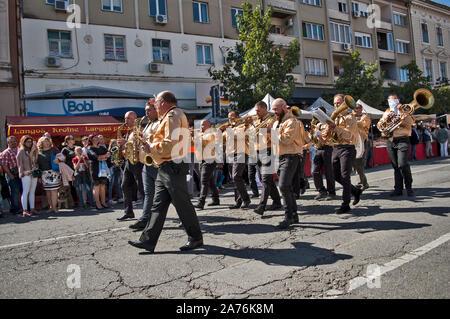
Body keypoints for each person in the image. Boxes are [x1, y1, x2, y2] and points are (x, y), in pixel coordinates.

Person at [128, 90, 203, 253]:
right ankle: (148, 241)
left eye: (156, 103)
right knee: (158, 206)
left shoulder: (173, 115)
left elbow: (171, 141)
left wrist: (151, 147)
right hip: (165, 165)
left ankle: (196, 238)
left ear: (163, 102)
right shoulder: (168, 116)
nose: (154, 106)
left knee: (182, 204)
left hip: (173, 164)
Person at [271, 98, 306, 228]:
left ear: (284, 107)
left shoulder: (292, 122)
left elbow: (286, 140)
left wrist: (272, 133)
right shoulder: (276, 122)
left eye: (276, 109)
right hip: (279, 156)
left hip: (291, 156)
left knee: (283, 186)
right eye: (273, 109)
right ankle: (294, 215)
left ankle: (288, 216)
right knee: (288, 187)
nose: (274, 112)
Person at [326, 94, 363, 214]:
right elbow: (329, 136)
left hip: (347, 148)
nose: (336, 105)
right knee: (336, 176)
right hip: (336, 148)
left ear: (344, 104)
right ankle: (355, 191)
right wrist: (326, 131)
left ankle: (345, 204)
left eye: (339, 103)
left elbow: (348, 135)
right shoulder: (334, 118)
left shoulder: (350, 117)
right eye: (335, 103)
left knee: (345, 175)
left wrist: (335, 127)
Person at [129, 99, 159, 230]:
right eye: (146, 110)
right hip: (147, 163)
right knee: (148, 193)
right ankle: (144, 219)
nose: (146, 113)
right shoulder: (148, 124)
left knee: (172, 194)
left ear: (156, 110)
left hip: (158, 163)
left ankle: (184, 217)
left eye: (149, 110)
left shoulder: (160, 123)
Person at [377, 93, 415, 197]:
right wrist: (386, 120)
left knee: (402, 164)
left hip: (403, 139)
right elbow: (380, 125)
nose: (391, 102)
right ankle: (398, 189)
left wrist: (402, 112)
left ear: (398, 100)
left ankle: (409, 187)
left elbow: (410, 122)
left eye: (394, 100)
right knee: (395, 166)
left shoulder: (405, 110)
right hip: (390, 140)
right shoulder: (387, 112)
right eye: (389, 100)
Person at [252, 101, 282, 216]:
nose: (256, 112)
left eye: (258, 110)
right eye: (256, 110)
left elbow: (275, 133)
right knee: (265, 178)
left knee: (265, 178)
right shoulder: (256, 120)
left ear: (265, 108)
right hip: (258, 150)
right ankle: (277, 201)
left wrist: (265, 130)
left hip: (268, 150)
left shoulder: (272, 119)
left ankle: (261, 206)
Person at [116, 111, 145, 220]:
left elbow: (141, 144)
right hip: (129, 161)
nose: (125, 121)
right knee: (124, 185)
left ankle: (147, 213)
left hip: (138, 162)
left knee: (142, 189)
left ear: (135, 119)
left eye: (128, 118)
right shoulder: (128, 132)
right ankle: (128, 212)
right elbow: (127, 148)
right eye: (125, 118)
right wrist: (121, 148)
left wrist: (126, 142)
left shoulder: (139, 131)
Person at [221, 111, 252, 209]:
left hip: (241, 153)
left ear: (238, 117)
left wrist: (228, 130)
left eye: (232, 117)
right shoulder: (229, 129)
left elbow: (240, 137)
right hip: (230, 155)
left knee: (236, 176)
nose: (230, 119)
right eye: (228, 117)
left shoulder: (243, 126)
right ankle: (238, 201)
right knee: (235, 179)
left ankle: (246, 199)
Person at [193, 119, 220, 210]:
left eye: (203, 125)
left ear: (209, 125)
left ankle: (201, 202)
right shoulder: (200, 134)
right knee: (210, 181)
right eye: (201, 125)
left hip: (210, 159)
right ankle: (216, 199)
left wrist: (194, 135)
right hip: (201, 159)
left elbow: (204, 141)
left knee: (204, 181)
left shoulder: (212, 134)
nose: (201, 127)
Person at [311, 108, 336, 201]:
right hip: (318, 149)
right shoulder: (317, 125)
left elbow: (327, 139)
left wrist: (320, 137)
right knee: (315, 171)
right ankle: (321, 190)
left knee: (328, 172)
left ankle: (332, 192)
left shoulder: (329, 124)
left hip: (327, 148)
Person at [37, 136, 61, 213]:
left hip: (53, 172)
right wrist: (39, 176)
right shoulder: (38, 152)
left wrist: (58, 159)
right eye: (45, 141)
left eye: (48, 141)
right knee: (48, 191)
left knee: (54, 190)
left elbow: (63, 157)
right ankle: (51, 207)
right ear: (41, 143)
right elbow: (37, 165)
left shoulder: (53, 149)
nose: (47, 143)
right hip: (44, 173)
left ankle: (54, 207)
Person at [87, 134, 111, 210]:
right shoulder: (90, 148)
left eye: (97, 138)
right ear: (91, 139)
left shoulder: (102, 147)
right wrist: (104, 156)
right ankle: (97, 203)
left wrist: (104, 156)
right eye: (94, 138)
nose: (96, 139)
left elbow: (109, 154)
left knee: (103, 186)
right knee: (96, 186)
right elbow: (97, 157)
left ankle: (103, 202)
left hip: (103, 168)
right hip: (95, 168)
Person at [16, 136, 39, 217]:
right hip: (26, 173)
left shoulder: (32, 150)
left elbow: (35, 161)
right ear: (23, 142)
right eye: (28, 141)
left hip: (34, 172)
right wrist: (21, 173)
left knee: (32, 191)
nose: (29, 143)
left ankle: (32, 209)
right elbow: (20, 164)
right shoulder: (21, 151)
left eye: (31, 141)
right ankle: (25, 210)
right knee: (25, 191)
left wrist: (35, 152)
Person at [351, 102, 371, 190]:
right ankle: (364, 183)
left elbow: (363, 125)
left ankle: (360, 183)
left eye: (357, 108)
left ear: (361, 109)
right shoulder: (350, 117)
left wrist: (351, 120)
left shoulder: (365, 117)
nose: (355, 109)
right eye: (353, 108)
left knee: (359, 163)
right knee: (354, 164)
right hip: (353, 142)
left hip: (363, 142)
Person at [1, 136, 21, 215]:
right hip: (12, 174)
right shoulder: (6, 152)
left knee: (20, 192)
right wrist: (9, 174)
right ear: (8, 143)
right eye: (11, 142)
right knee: (14, 193)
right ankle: (16, 210)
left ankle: (23, 208)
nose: (13, 143)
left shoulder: (19, 150)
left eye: (14, 141)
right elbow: (4, 165)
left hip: (20, 173)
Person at [61, 135, 78, 207]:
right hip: (69, 169)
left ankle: (83, 200)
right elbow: (62, 160)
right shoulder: (65, 149)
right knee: (72, 186)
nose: (74, 140)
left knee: (79, 185)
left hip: (78, 168)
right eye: (72, 139)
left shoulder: (76, 148)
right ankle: (74, 201)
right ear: (68, 141)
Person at [107, 139, 123, 206]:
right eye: (114, 143)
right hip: (112, 168)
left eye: (116, 143)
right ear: (111, 144)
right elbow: (109, 161)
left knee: (117, 183)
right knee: (111, 184)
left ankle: (119, 197)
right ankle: (110, 199)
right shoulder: (109, 152)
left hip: (118, 168)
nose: (115, 145)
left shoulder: (119, 151)